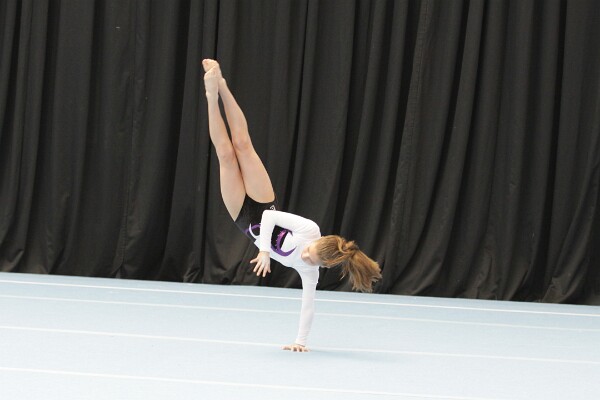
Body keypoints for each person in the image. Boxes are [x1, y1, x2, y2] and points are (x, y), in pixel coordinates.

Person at [202, 59, 381, 352]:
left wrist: (301, 342)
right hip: (263, 205)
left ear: (325, 264)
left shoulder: (311, 272)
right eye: (310, 251)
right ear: (319, 241)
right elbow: (270, 219)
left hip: (242, 217)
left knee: (225, 155)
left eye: (312, 259)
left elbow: (308, 305)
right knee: (243, 145)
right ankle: (221, 85)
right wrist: (264, 251)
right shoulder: (310, 230)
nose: (306, 256)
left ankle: (211, 97)